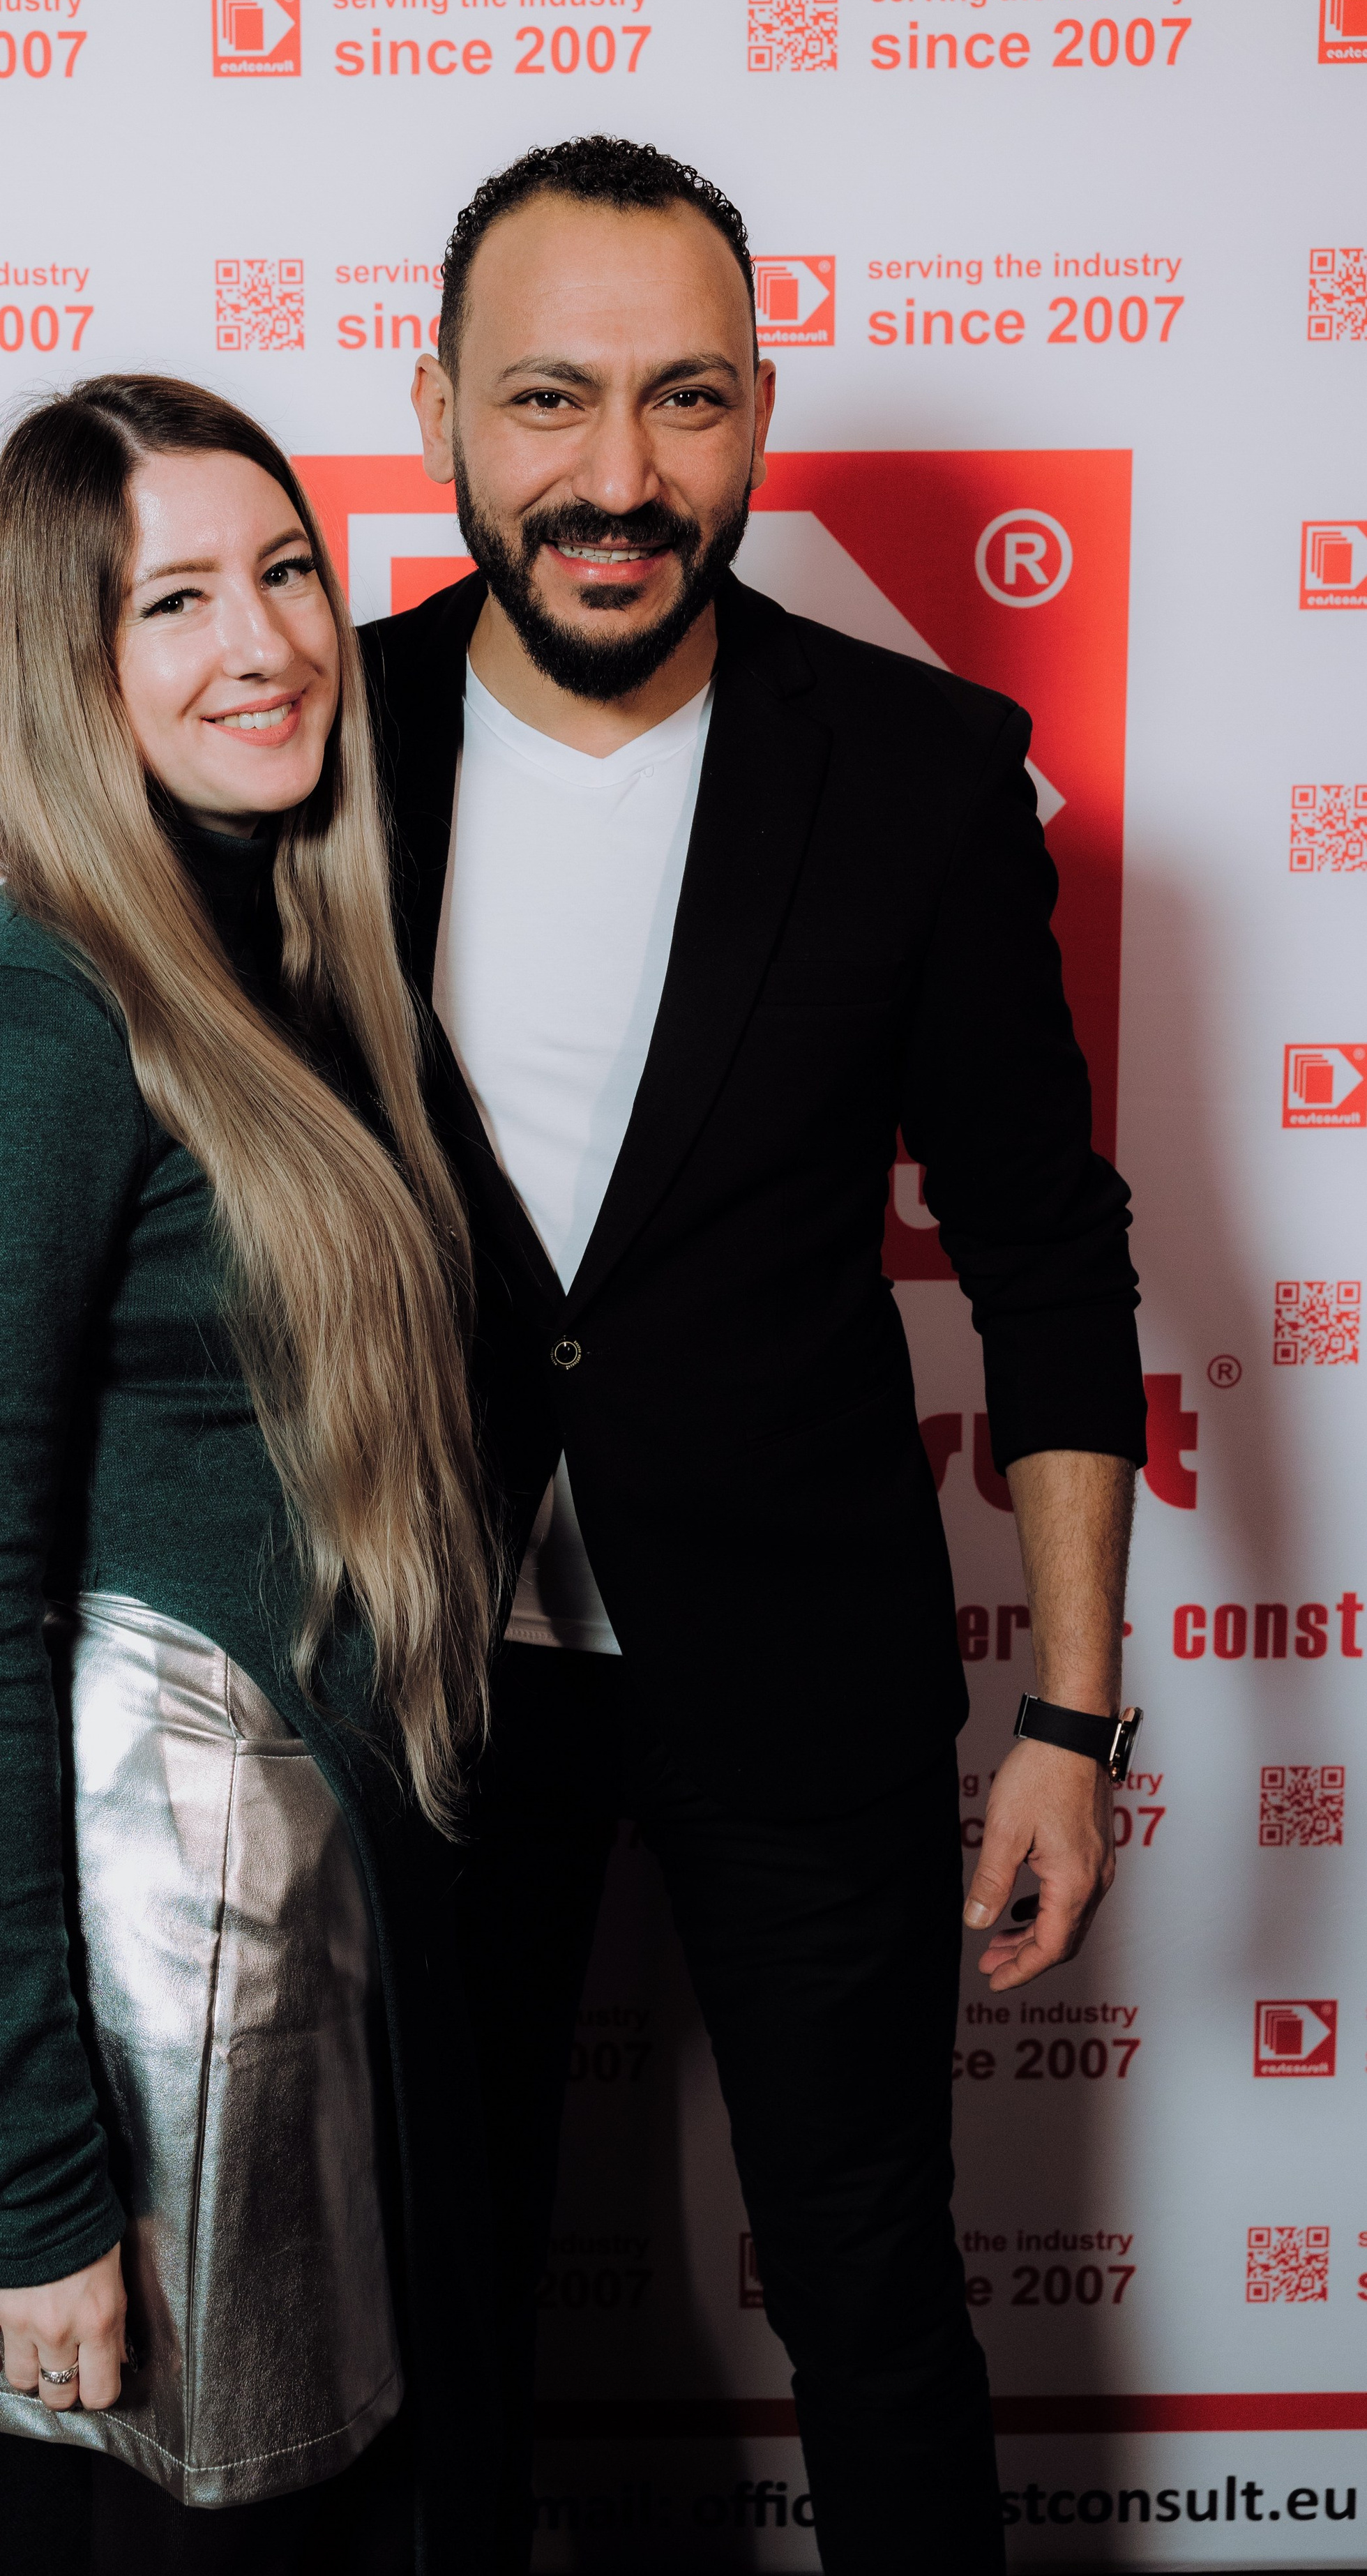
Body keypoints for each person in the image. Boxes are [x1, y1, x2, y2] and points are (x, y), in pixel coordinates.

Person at [356, 137, 1148, 2574]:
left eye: (683, 401)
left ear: (761, 415)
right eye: (552, 402)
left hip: (798, 1656)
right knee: (415, 2311)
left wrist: (1072, 1714)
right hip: (399, 1664)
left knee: (874, 2288)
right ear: (443, 412)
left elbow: (1045, 1258)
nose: (618, 479)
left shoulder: (915, 774)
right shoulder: (304, 749)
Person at [0, 376, 500, 2575]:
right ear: (71, 658)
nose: (270, 645)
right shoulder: (33, 1021)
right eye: (178, 602)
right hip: (150, 2005)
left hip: (320, 1956)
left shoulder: (295, 966)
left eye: (292, 571)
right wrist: (34, 2191)